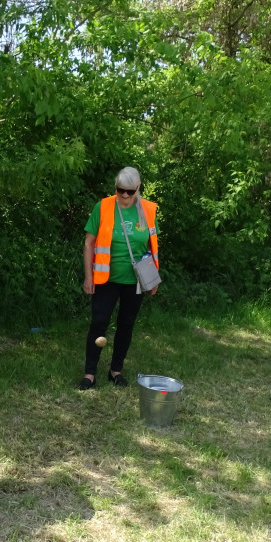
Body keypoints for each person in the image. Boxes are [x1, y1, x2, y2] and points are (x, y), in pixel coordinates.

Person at [79, 167, 159, 390]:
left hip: (135, 282)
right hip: (106, 279)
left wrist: (153, 279)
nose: (124, 195)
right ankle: (89, 374)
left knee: (126, 325)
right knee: (99, 323)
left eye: (129, 191)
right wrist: (89, 276)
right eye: (120, 190)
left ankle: (116, 371)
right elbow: (89, 242)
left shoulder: (149, 210)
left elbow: (152, 247)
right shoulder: (103, 206)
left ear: (137, 189)